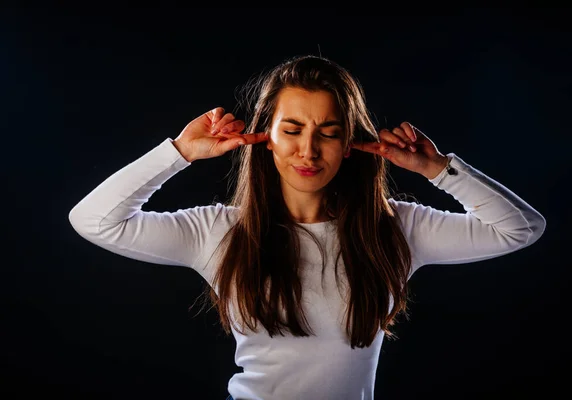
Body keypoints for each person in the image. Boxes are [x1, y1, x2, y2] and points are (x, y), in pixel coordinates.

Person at [68, 55, 546, 400]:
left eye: (329, 133)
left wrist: (439, 169)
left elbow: (521, 228)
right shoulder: (218, 231)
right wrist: (180, 151)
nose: (309, 151)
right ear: (266, 138)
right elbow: (93, 220)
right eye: (292, 130)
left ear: (350, 143)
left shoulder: (396, 227)